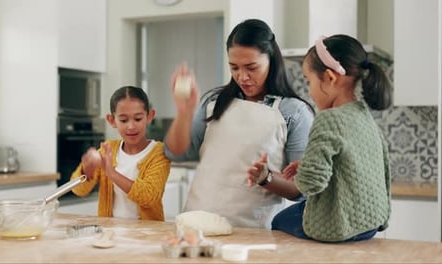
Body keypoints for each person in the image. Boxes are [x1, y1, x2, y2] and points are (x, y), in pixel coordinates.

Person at [164, 18, 315, 229]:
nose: (242, 77)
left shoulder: (295, 113)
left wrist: (266, 178)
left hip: (253, 232)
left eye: (251, 67)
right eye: (234, 67)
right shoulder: (213, 102)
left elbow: (302, 188)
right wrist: (183, 112)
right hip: (197, 223)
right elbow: (177, 152)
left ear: (271, 60)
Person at [269, 34, 392, 242]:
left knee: (278, 221)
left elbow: (311, 184)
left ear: (330, 78)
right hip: (370, 224)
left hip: (339, 225)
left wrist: (304, 172)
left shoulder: (328, 119)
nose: (309, 90)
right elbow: (356, 164)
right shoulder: (363, 115)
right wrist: (308, 163)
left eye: (309, 81)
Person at [70, 86, 171, 221]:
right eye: (123, 120)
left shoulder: (159, 153)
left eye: (138, 119)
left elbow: (149, 197)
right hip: (110, 234)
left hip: (146, 235)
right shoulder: (108, 149)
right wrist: (87, 171)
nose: (131, 126)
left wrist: (111, 173)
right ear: (112, 120)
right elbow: (79, 190)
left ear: (149, 116)